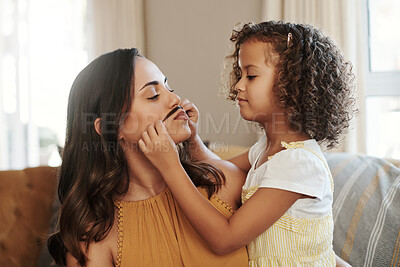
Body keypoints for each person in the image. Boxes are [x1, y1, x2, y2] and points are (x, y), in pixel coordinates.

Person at [139, 21, 356, 266]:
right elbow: (221, 170)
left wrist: (170, 167)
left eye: (251, 76)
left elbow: (225, 238)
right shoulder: (266, 148)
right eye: (240, 74)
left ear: (293, 84)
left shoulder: (298, 163)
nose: (238, 85)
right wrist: (193, 140)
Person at [47, 48, 249, 266]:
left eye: (169, 87)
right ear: (110, 127)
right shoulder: (95, 239)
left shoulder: (222, 183)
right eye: (153, 95)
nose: (175, 99)